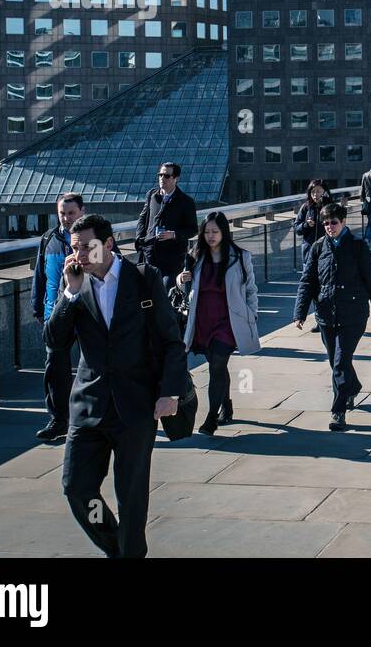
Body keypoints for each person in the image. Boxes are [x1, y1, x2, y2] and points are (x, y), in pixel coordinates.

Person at [46, 212, 188, 558]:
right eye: (74, 248)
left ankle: (130, 552)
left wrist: (169, 392)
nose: (78, 255)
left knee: (131, 497)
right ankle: (119, 549)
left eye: (86, 247)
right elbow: (55, 341)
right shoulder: (77, 286)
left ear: (108, 244)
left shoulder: (143, 279)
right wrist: (70, 293)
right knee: (77, 488)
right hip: (89, 405)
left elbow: (171, 341)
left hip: (136, 406)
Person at [294, 203, 371, 431]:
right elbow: (308, 281)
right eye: (325, 223)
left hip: (353, 314)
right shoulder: (318, 248)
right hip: (326, 314)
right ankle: (352, 387)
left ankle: (338, 411)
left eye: (333, 222)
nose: (329, 227)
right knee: (336, 361)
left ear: (343, 221)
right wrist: (300, 313)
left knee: (340, 361)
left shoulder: (358, 246)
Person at [177, 212, 260, 436]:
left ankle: (211, 418)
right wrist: (180, 279)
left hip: (228, 322)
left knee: (217, 365)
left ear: (224, 232)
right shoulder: (195, 256)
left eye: (215, 231)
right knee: (217, 365)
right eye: (207, 232)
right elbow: (184, 284)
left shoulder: (240, 257)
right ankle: (227, 404)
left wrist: (252, 313)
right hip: (202, 320)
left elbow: (251, 289)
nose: (211, 236)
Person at [31, 192, 84, 441]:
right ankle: (58, 419)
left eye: (71, 213)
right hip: (56, 312)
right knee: (55, 368)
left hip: (87, 312)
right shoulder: (48, 239)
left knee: (95, 365)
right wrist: (37, 308)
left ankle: (96, 414)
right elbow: (40, 276)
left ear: (82, 212)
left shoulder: (92, 239)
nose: (65, 217)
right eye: (62, 212)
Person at [134, 162, 198, 294]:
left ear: (176, 178)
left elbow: (192, 229)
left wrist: (173, 234)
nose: (162, 178)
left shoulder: (186, 201)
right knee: (146, 295)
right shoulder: (152, 195)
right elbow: (143, 218)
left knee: (165, 294)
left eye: (167, 176)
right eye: (160, 175)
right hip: (150, 255)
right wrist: (140, 239)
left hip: (172, 260)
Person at [293, 180, 329, 269]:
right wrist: (306, 225)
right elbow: (296, 228)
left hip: (326, 253)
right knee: (308, 280)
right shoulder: (306, 207)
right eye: (313, 192)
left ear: (325, 192)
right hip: (309, 253)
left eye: (318, 191)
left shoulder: (330, 207)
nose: (315, 194)